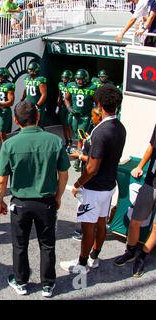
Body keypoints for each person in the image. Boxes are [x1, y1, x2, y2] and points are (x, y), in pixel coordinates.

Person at [0, 100, 69, 298]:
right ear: (38, 117)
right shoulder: (54, 141)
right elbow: (64, 173)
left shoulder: (9, 144)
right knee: (47, 244)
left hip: (20, 202)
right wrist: (59, 196)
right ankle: (48, 284)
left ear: (15, 120)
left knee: (20, 244)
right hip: (46, 202)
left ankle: (21, 282)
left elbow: (2, 179)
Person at [60, 84, 126, 274]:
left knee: (88, 226)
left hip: (94, 188)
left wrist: (78, 184)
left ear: (98, 104)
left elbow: (92, 168)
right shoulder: (120, 127)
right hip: (109, 186)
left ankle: (81, 265)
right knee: (100, 222)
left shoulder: (100, 131)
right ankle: (93, 258)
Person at [113, 123, 156, 277]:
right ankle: (130, 251)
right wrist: (140, 166)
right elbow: (151, 146)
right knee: (135, 221)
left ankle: (143, 256)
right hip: (152, 181)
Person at [68, 106, 102, 242]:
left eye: (93, 116)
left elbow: (95, 160)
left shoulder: (100, 134)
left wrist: (79, 156)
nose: (91, 119)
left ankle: (83, 231)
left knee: (85, 204)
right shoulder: (95, 131)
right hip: (91, 174)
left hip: (90, 176)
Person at [65, 69, 97, 171]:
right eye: (77, 79)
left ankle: (79, 158)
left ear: (86, 79)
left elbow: (97, 102)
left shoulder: (92, 87)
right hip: (76, 116)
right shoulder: (71, 85)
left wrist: (95, 114)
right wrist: (69, 108)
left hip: (85, 116)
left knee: (80, 137)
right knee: (77, 135)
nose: (79, 81)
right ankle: (82, 152)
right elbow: (66, 98)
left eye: (81, 79)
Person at [21, 62, 47, 127]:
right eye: (29, 69)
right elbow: (26, 89)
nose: (30, 71)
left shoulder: (40, 79)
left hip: (37, 105)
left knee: (38, 125)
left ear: (36, 70)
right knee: (28, 124)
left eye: (31, 69)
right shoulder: (27, 78)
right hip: (28, 105)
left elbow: (44, 95)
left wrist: (37, 105)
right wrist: (22, 98)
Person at [57, 70, 74, 150]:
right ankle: (67, 140)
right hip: (63, 107)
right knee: (64, 125)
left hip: (70, 107)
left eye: (66, 78)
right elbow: (60, 95)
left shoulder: (73, 85)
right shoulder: (60, 84)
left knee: (68, 124)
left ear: (70, 78)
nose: (64, 79)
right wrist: (58, 106)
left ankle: (70, 141)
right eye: (63, 77)